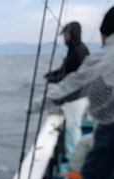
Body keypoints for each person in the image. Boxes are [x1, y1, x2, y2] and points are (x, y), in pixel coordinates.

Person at [33, 6, 114, 179]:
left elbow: (75, 82)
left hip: (109, 125)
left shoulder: (105, 54)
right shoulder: (81, 50)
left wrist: (36, 104)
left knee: (95, 170)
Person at [45, 22, 89, 160]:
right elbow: (66, 70)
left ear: (71, 35)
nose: (64, 38)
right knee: (73, 124)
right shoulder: (76, 50)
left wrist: (54, 78)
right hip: (76, 94)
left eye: (66, 35)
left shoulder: (78, 51)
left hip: (76, 95)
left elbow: (72, 76)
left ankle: (73, 159)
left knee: (73, 126)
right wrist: (51, 75)